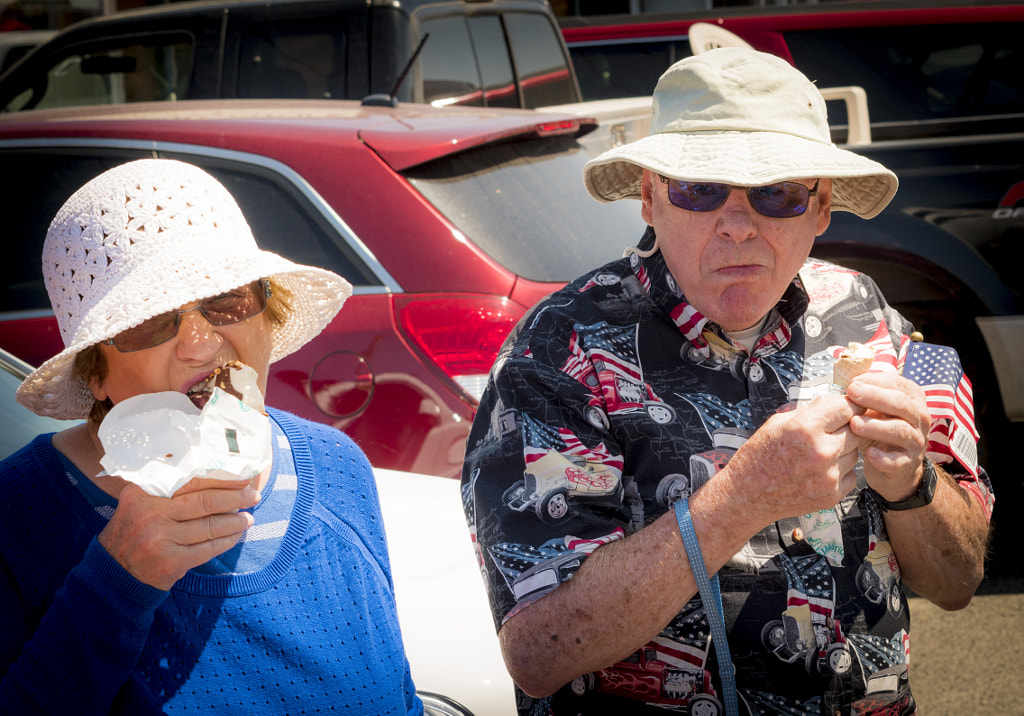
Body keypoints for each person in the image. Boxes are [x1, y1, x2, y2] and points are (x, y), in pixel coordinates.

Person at [461, 48, 994, 715]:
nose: (738, 225)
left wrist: (912, 484)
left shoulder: (869, 316)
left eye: (776, 194)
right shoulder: (559, 352)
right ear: (651, 197)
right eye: (700, 188)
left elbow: (958, 580)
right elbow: (541, 652)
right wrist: (739, 499)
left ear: (821, 207)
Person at [0, 159, 423, 714]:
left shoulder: (336, 466)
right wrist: (119, 577)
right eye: (148, 319)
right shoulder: (20, 514)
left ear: (267, 315)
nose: (200, 345)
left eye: (226, 299)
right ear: (94, 372)